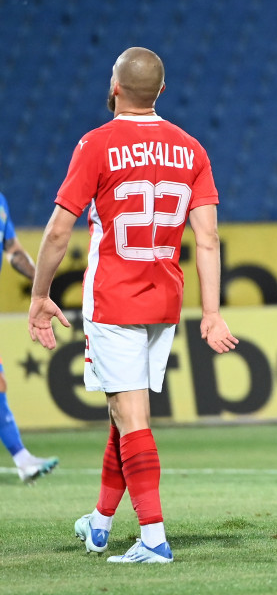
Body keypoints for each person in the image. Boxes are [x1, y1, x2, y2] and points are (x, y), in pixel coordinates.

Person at [28, 47, 238, 563]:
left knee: (131, 416)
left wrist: (39, 294)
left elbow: (59, 229)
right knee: (123, 415)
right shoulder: (192, 148)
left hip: (114, 297)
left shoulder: (96, 144)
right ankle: (99, 523)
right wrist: (211, 312)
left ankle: (153, 539)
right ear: (161, 92)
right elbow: (207, 239)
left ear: (115, 86)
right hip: (162, 300)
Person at [0, 191, 59, 483]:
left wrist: (41, 280)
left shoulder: (1, 201)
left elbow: (12, 250)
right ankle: (22, 460)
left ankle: (23, 460)